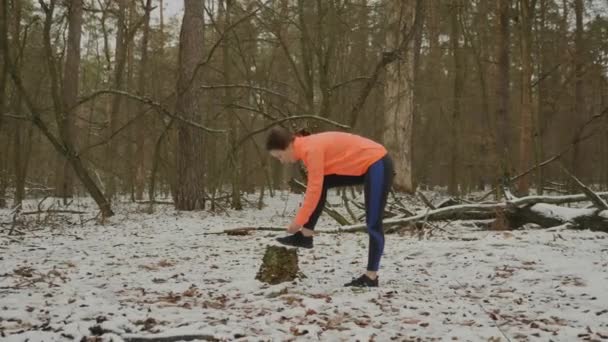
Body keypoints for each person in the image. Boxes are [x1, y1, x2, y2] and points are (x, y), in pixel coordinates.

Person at [265, 127, 394, 287]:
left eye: (279, 156)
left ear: (288, 146)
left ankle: (371, 277)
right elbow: (317, 187)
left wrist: (297, 222)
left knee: (373, 222)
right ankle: (305, 236)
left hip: (378, 162)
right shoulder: (306, 147)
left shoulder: (311, 149)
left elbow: (313, 190)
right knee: (323, 183)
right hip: (366, 166)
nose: (281, 161)